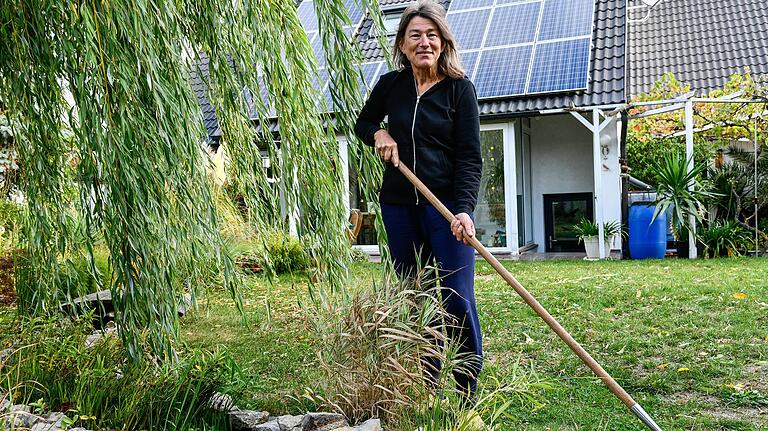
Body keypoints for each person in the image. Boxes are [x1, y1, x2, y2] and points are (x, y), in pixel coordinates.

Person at [354, 0, 483, 400]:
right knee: (416, 296)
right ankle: (427, 384)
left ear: (443, 42)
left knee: (456, 296)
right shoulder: (391, 86)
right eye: (415, 35)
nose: (424, 42)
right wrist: (379, 134)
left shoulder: (460, 91)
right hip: (399, 207)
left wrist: (463, 209)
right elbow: (363, 122)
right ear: (403, 44)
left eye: (431, 34)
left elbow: (469, 158)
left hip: (445, 208)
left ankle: (465, 393)